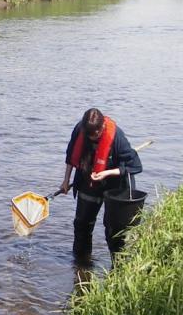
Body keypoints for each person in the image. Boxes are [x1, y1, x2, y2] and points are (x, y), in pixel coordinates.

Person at [58, 108, 141, 259]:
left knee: (114, 231)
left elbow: (135, 166)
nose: (92, 139)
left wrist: (106, 173)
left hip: (115, 184)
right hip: (89, 179)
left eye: (95, 136)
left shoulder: (117, 138)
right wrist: (66, 180)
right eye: (89, 136)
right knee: (82, 224)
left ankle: (119, 268)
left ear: (102, 127)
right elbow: (71, 156)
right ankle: (81, 266)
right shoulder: (80, 130)